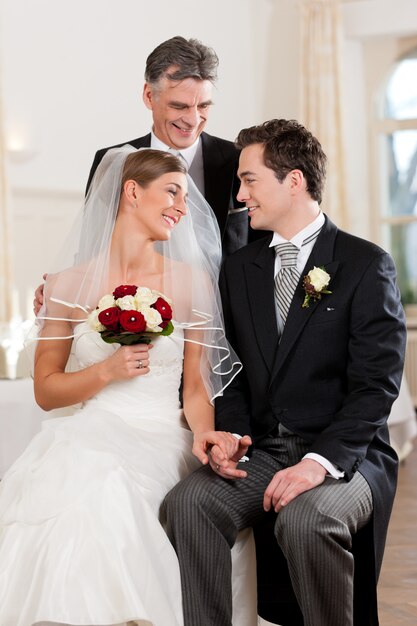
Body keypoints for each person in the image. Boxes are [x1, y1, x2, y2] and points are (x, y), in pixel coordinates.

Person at [163, 119, 407, 626]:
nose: (239, 194)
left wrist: (319, 462)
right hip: (265, 452)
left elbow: (375, 389)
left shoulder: (365, 264)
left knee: (306, 519)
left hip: (348, 456)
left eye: (249, 180)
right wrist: (229, 433)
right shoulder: (239, 268)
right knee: (187, 504)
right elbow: (229, 370)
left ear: (293, 181)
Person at [0, 148, 256, 626]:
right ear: (132, 191)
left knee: (108, 485)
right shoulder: (66, 285)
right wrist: (106, 371)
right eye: (172, 192)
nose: (182, 207)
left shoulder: (192, 281)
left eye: (185, 196)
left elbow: (197, 389)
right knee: (83, 475)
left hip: (161, 433)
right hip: (89, 428)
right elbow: (46, 390)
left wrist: (204, 434)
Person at [32, 36, 262, 316]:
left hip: (228, 325)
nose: (193, 120)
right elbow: (94, 247)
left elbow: (260, 251)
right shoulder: (112, 161)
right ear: (149, 96)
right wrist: (63, 291)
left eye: (203, 106)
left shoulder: (239, 160)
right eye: (179, 106)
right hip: (129, 324)